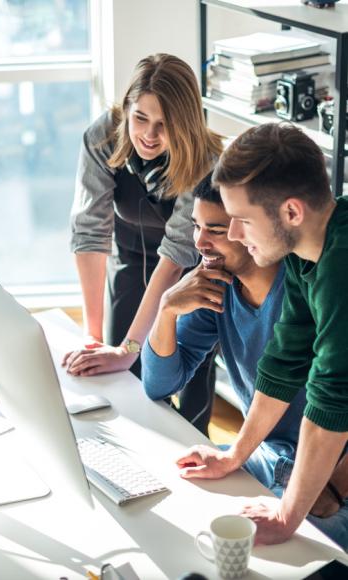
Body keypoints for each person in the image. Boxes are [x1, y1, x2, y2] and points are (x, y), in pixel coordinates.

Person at [141, 173, 348, 548]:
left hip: (329, 476)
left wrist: (331, 487)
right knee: (169, 493)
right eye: (197, 227)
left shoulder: (315, 285)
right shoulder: (215, 286)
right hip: (267, 457)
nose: (201, 242)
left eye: (218, 229)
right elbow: (158, 383)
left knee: (272, 555)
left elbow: (335, 396)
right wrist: (167, 308)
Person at [63, 54, 223, 433]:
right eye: (140, 118)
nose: (149, 135)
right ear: (127, 109)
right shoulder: (102, 137)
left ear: (184, 124)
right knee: (120, 365)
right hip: (131, 253)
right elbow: (90, 233)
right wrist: (94, 337)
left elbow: (176, 255)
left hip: (191, 268)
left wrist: (129, 349)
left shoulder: (206, 160)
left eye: (164, 125)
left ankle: (190, 442)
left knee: (179, 367)